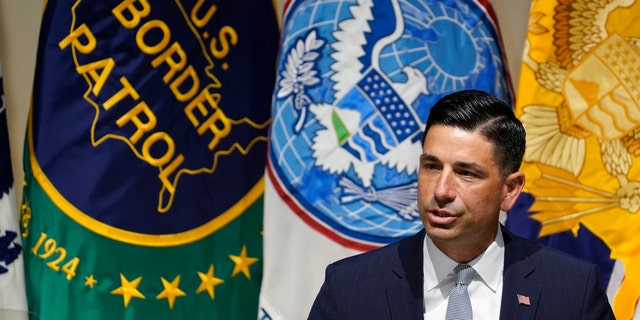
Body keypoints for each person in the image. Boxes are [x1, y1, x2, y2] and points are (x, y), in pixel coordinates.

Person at [308, 90, 615, 319]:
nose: (441, 190)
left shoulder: (572, 289)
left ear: (509, 190)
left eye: (466, 173)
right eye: (431, 166)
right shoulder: (349, 287)